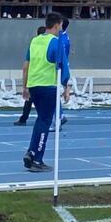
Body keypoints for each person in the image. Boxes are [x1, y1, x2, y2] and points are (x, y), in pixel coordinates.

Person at [21, 13, 72, 172]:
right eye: (61, 26)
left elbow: (27, 64)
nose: (61, 30)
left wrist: (25, 86)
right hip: (48, 85)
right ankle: (37, 158)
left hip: (34, 84)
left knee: (40, 119)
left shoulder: (35, 41)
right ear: (56, 25)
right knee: (45, 120)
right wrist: (66, 86)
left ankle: (31, 151)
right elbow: (63, 65)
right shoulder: (56, 43)